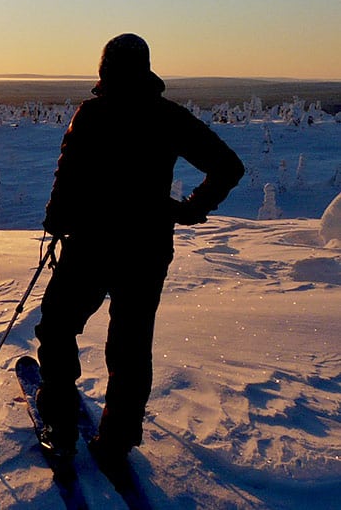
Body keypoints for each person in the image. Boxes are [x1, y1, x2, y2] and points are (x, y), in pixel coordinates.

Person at [35, 33, 245, 464]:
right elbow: (228, 166)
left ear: (105, 69)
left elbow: (67, 174)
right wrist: (188, 211)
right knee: (130, 344)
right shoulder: (167, 116)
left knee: (57, 327)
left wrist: (56, 223)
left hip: (92, 246)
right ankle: (118, 437)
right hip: (145, 250)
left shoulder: (91, 115)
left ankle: (59, 423)